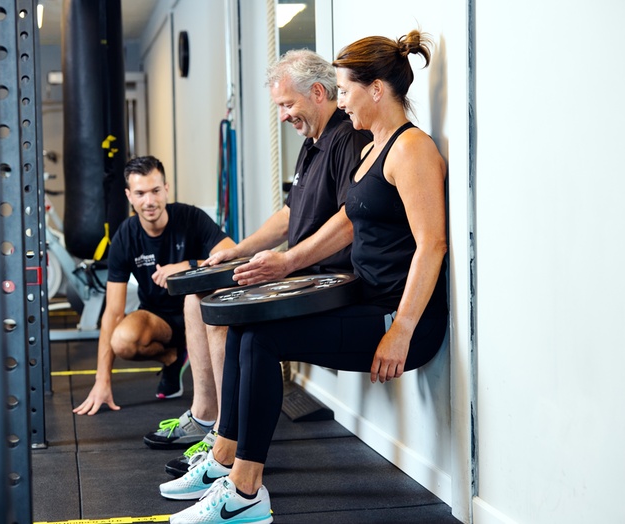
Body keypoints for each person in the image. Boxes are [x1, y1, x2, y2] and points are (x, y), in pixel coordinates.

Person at [162, 30, 449, 524]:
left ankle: (245, 492)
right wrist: (286, 259)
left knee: (259, 342)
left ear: (375, 89)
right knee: (248, 330)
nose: (340, 99)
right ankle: (231, 467)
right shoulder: (373, 149)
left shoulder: (412, 150)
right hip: (368, 300)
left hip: (400, 319)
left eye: (345, 89)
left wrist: (401, 330)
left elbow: (433, 244)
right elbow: (347, 221)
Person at [151, 49, 373, 474]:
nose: (284, 116)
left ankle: (225, 437)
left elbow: (349, 220)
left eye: (288, 105)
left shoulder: (348, 138)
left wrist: (287, 261)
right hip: (304, 268)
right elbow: (291, 215)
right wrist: (242, 248)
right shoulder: (312, 143)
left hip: (330, 277)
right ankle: (207, 417)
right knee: (196, 298)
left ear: (320, 92)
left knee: (223, 309)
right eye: (280, 107)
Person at [72, 156, 235, 416]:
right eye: (140, 193)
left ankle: (221, 414)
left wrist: (188, 265)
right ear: (129, 196)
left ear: (166, 189)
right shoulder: (125, 236)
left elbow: (233, 255)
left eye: (155, 191)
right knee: (123, 340)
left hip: (199, 314)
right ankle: (173, 357)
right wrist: (102, 381)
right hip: (160, 320)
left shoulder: (191, 217)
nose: (149, 201)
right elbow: (113, 312)